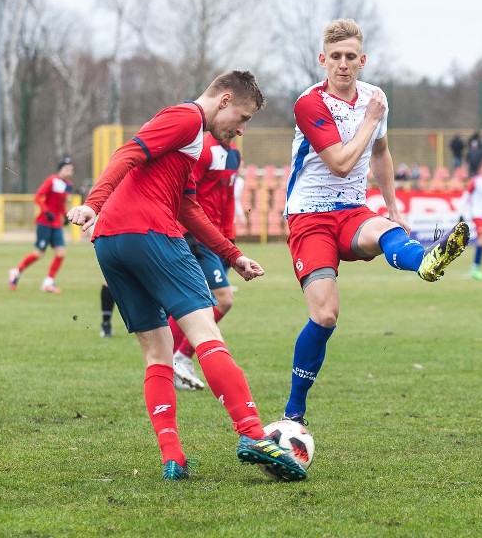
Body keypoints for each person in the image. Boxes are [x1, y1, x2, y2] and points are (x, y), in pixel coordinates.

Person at [65, 70, 307, 482]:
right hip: (151, 234)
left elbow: (188, 208)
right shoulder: (189, 118)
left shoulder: (190, 143)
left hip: (111, 243)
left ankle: (173, 459)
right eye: (244, 118)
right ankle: (252, 434)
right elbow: (127, 154)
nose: (242, 129)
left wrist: (233, 256)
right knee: (206, 334)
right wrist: (93, 202)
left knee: (157, 353)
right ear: (226, 100)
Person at [281, 18, 469, 426]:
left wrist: (393, 208)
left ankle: (426, 261)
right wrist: (369, 120)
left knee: (387, 232)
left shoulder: (375, 98)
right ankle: (294, 410)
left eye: (351, 57)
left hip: (351, 211)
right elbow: (341, 161)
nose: (343, 64)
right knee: (326, 315)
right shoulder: (309, 103)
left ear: (362, 60)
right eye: (335, 57)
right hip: (309, 218)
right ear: (322, 60)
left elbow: (380, 154)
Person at [168, 132, 242, 392]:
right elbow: (186, 196)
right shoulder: (204, 150)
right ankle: (180, 358)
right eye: (241, 119)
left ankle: (169, 363)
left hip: (219, 240)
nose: (241, 128)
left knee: (195, 303)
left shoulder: (234, 155)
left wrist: (230, 240)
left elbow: (229, 198)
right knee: (223, 299)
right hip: (198, 236)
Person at [8, 157, 74, 293]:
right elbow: (37, 196)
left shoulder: (68, 185)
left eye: (71, 168)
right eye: (66, 168)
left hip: (56, 224)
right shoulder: (52, 180)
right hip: (44, 222)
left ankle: (48, 283)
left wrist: (65, 215)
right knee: (39, 254)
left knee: (61, 253)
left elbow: (60, 204)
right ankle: (16, 272)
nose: (69, 170)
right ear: (60, 169)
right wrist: (46, 211)